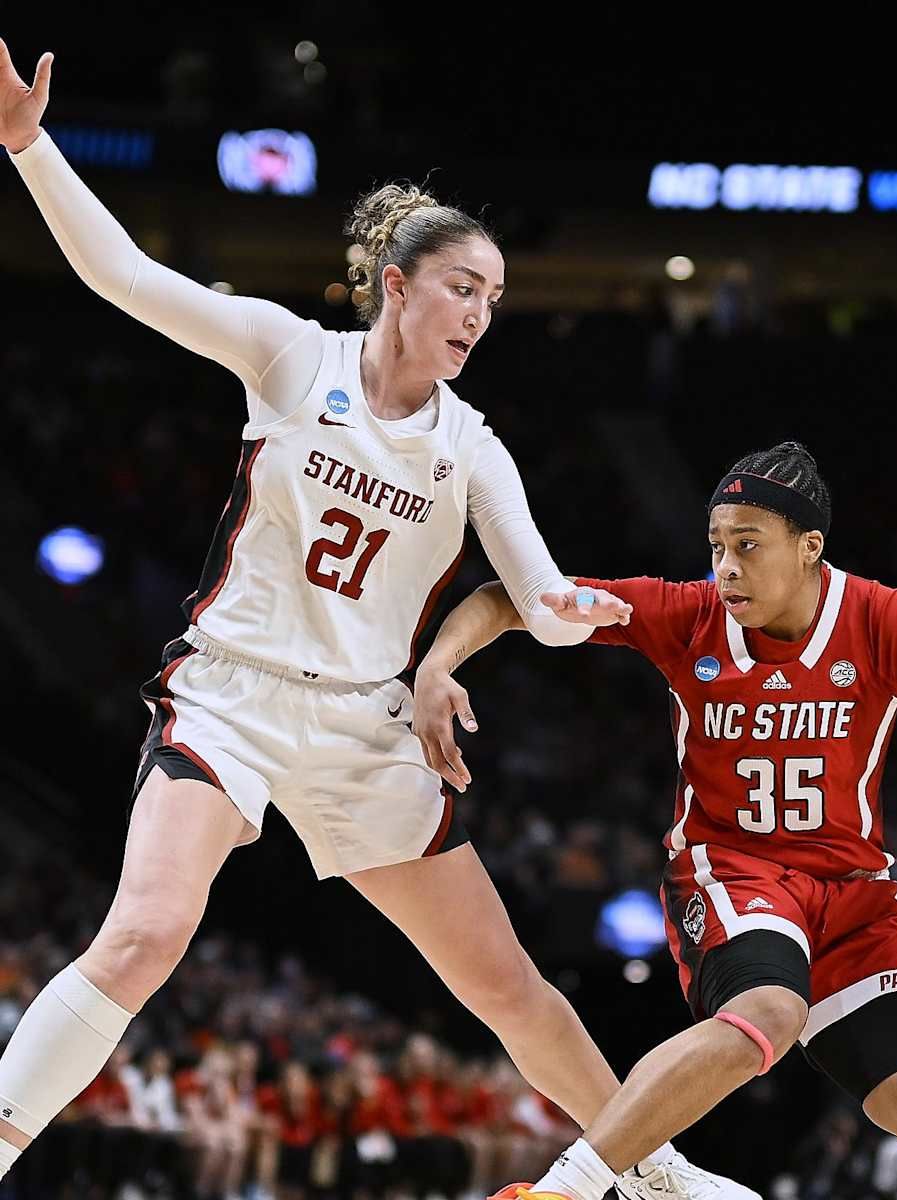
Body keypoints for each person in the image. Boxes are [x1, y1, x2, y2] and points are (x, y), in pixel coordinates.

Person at [0, 39, 752, 1200]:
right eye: (464, 287)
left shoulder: (472, 446)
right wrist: (30, 147)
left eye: (496, 300)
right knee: (145, 935)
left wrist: (572, 614)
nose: (480, 314)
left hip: (366, 729)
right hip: (232, 698)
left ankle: (653, 1169)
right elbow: (128, 280)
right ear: (397, 284)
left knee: (508, 986)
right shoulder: (294, 363)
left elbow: (539, 595)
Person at [414, 441, 897, 1200]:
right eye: (716, 545)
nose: (726, 566)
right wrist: (440, 664)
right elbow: (506, 598)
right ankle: (564, 1191)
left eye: (747, 545)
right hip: (729, 872)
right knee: (771, 1011)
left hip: (853, 892)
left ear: (810, 548)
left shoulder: (885, 621)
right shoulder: (685, 615)